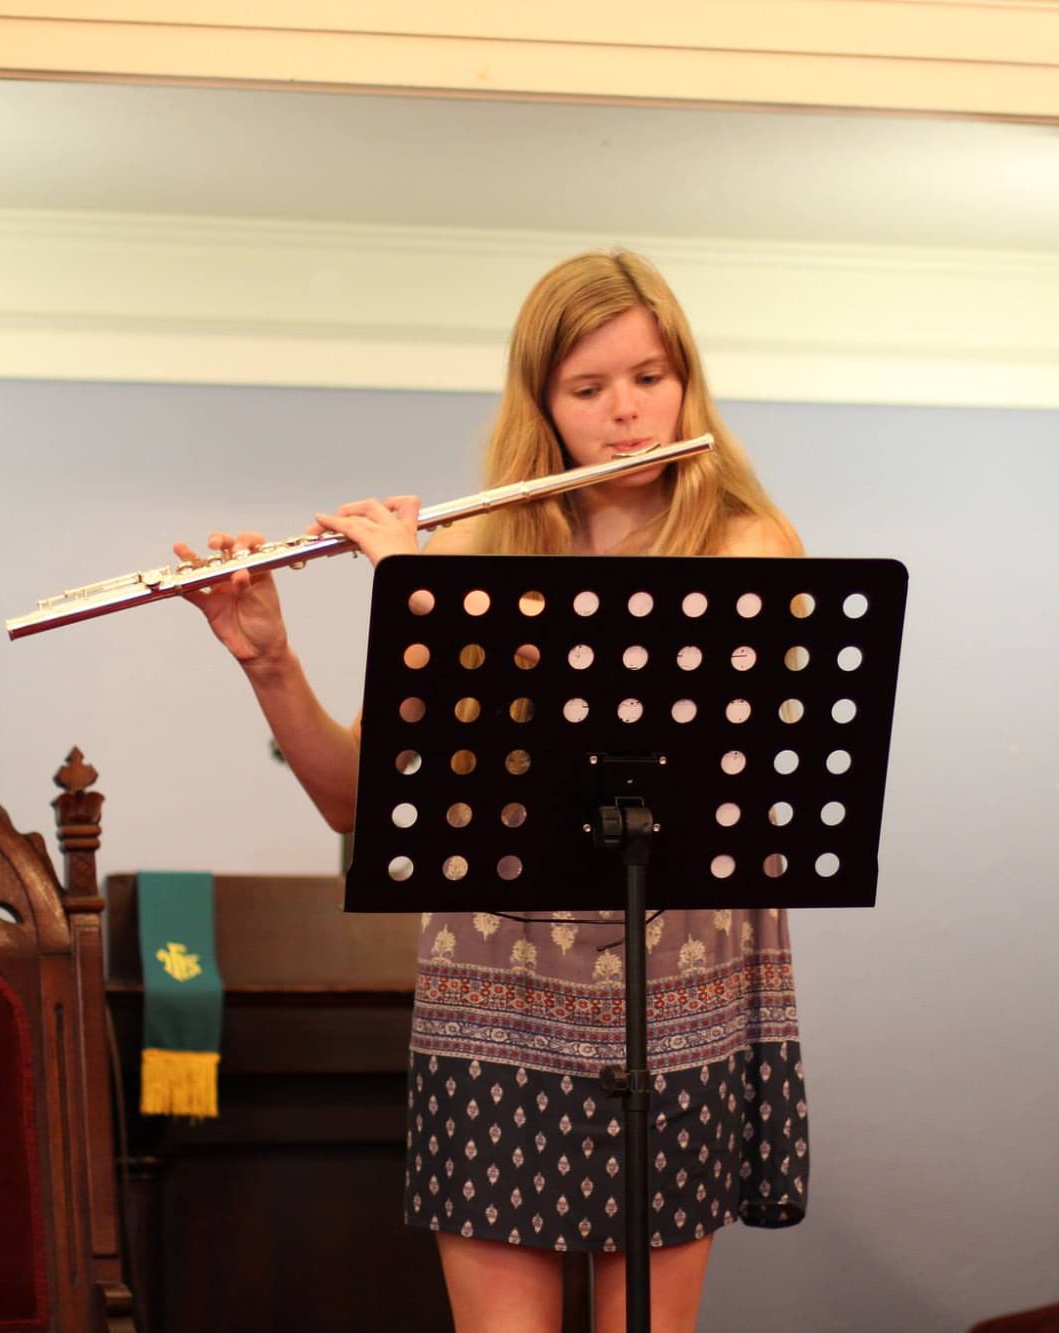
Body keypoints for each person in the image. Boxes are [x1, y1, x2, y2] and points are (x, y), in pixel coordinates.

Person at [177, 251, 808, 1333]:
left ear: (687, 380)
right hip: (495, 994)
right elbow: (351, 799)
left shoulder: (743, 545)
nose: (626, 413)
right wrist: (267, 658)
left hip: (674, 984)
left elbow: (619, 735)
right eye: (588, 388)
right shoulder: (485, 542)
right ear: (543, 406)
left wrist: (432, 600)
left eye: (650, 377)